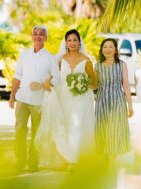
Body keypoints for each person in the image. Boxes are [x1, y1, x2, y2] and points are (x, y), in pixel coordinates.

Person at [35, 29, 97, 170]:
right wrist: (46, 83)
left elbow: (94, 83)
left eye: (75, 40)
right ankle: (67, 157)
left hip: (81, 99)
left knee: (77, 127)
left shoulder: (86, 61)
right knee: (66, 126)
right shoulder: (60, 60)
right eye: (69, 40)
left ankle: (74, 161)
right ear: (65, 43)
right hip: (63, 97)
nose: (72, 43)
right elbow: (54, 77)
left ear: (79, 42)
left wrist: (82, 83)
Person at [8, 25, 60, 172]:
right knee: (19, 130)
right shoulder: (24, 55)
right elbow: (17, 76)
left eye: (41, 34)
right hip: (22, 99)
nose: (38, 36)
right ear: (32, 36)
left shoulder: (51, 58)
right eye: (35, 34)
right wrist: (12, 95)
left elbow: (57, 79)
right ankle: (20, 161)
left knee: (37, 132)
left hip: (39, 101)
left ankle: (33, 162)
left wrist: (42, 85)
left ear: (46, 38)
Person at [94, 38, 134, 166]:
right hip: (101, 101)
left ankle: (111, 158)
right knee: (102, 128)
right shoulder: (97, 66)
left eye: (111, 46)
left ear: (116, 50)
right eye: (105, 46)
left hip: (117, 100)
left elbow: (126, 86)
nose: (107, 49)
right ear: (101, 49)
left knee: (115, 128)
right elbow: (94, 86)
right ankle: (105, 155)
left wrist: (130, 106)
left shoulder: (122, 64)